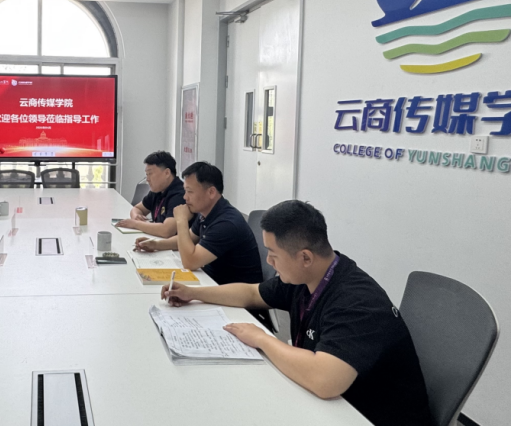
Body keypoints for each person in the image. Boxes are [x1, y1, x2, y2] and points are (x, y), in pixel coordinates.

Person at [161, 200, 432, 426]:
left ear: (305, 257)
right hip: (330, 406)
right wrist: (194, 293)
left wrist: (262, 339)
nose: (269, 262)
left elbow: (325, 381)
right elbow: (252, 293)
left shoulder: (358, 302)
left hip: (365, 415)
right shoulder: (307, 276)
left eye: (273, 254)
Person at [136, 162, 262, 285]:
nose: (185, 197)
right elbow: (188, 238)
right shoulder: (205, 213)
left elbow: (190, 262)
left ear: (211, 192)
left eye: (190, 192)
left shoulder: (226, 223)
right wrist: (155, 244)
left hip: (232, 294)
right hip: (212, 281)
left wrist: (181, 220)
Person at [115, 151, 188, 238]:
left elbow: (167, 231)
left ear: (167, 173)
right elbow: (137, 208)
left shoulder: (179, 195)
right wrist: (136, 217)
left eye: (150, 174)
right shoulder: (157, 190)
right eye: (147, 175)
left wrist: (135, 224)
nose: (147, 179)